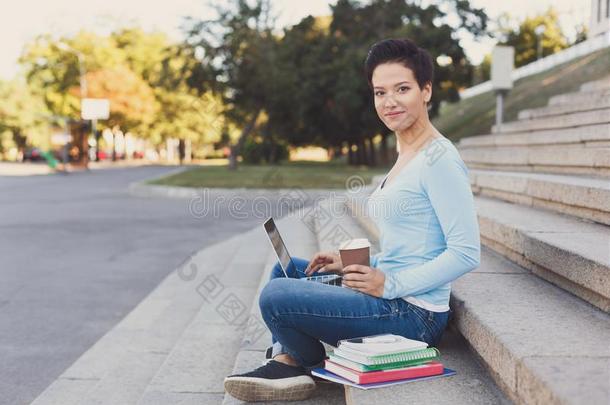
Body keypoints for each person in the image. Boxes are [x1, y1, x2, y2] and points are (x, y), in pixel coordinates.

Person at [223, 38, 480, 402]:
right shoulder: (407, 152)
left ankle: (297, 362)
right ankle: (289, 357)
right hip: (391, 293)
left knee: (274, 297)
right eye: (380, 92)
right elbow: (413, 245)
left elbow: (466, 252)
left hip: (412, 314)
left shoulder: (440, 160)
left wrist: (387, 284)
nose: (389, 102)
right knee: (288, 271)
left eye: (402, 89)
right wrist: (353, 265)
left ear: (426, 91)